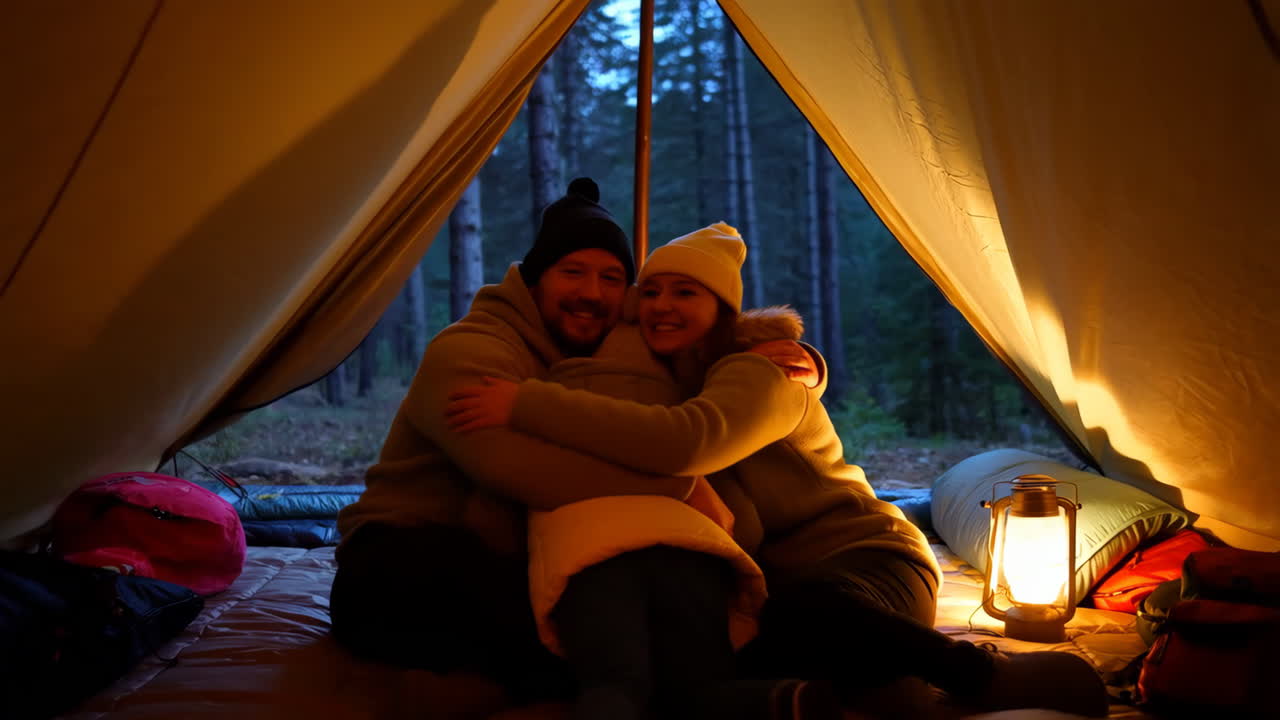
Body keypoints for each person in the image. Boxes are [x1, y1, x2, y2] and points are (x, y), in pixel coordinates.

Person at [446, 223, 1112, 718]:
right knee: (698, 668)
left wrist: (523, 401)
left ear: (723, 310)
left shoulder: (756, 371)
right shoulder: (673, 373)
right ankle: (819, 696)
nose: (661, 307)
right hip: (777, 577)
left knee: (804, 614)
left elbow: (686, 445)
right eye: (649, 293)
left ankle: (974, 675)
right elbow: (607, 353)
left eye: (685, 293)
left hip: (867, 560)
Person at [330, 180, 810, 710]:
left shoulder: (595, 346)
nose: (593, 293)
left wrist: (793, 357)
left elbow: (695, 338)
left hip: (516, 545)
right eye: (572, 272)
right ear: (535, 280)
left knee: (660, 598)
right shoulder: (470, 350)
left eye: (612, 279)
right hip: (404, 556)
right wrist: (680, 484)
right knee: (586, 641)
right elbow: (516, 469)